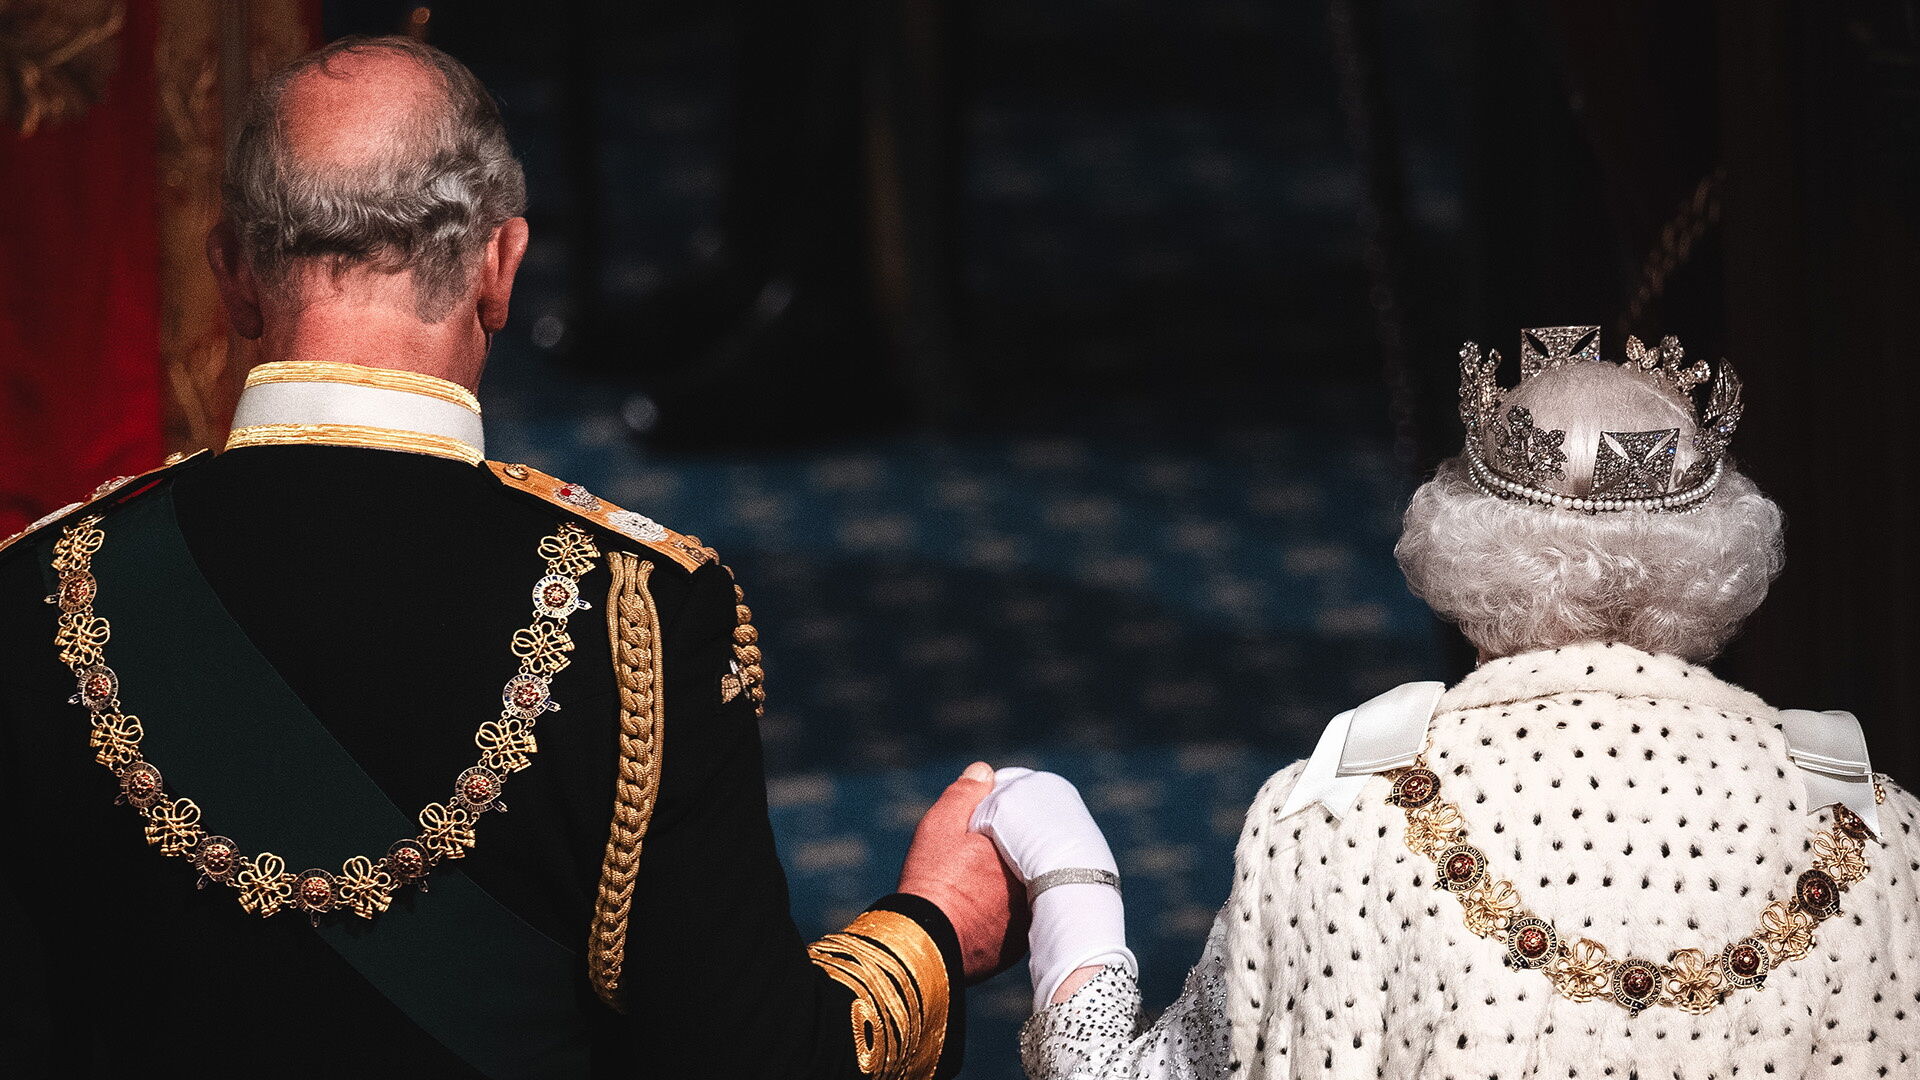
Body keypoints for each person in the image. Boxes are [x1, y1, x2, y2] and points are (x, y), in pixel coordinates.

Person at [0, 35, 1019, 1079]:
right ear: (501, 266)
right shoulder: (637, 617)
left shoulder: (30, 597)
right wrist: (936, 927)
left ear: (231, 274)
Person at [978, 327, 1920, 1079]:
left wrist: (1066, 869)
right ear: (1724, 549)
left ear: (1460, 545)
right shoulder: (1880, 831)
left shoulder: (1336, 817)